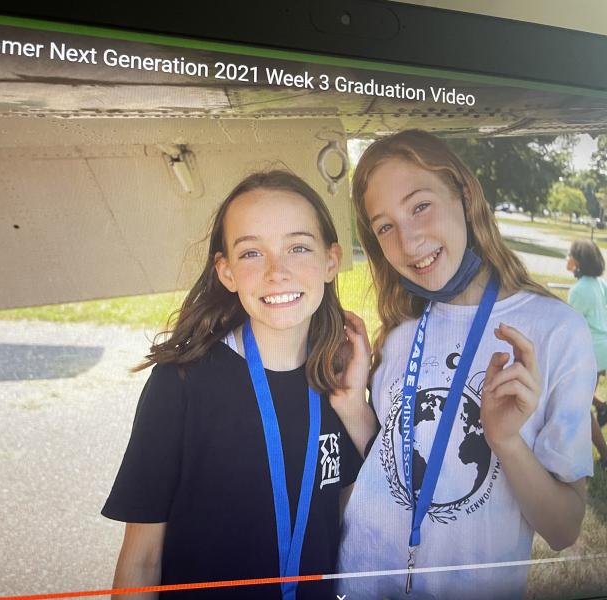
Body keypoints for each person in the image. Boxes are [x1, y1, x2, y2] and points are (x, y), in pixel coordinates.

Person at [337, 130, 594, 600]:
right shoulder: (400, 331)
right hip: (357, 580)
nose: (409, 241)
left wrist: (506, 441)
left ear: (465, 196)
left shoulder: (556, 332)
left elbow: (563, 529)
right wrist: (352, 402)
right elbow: (390, 460)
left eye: (420, 206)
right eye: (385, 226)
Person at [102, 170, 375, 599]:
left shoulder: (338, 383)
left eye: (298, 247)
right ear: (226, 272)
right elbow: (141, 560)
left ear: (331, 260)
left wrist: (356, 407)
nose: (277, 272)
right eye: (251, 253)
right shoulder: (181, 385)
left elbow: (365, 524)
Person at [566, 239, 607, 467]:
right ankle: (602, 407)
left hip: (591, 351)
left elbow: (571, 325)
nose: (567, 259)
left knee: (580, 404)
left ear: (578, 262)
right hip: (603, 349)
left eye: (569, 255)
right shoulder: (600, 284)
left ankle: (605, 455)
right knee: (578, 388)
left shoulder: (579, 290)